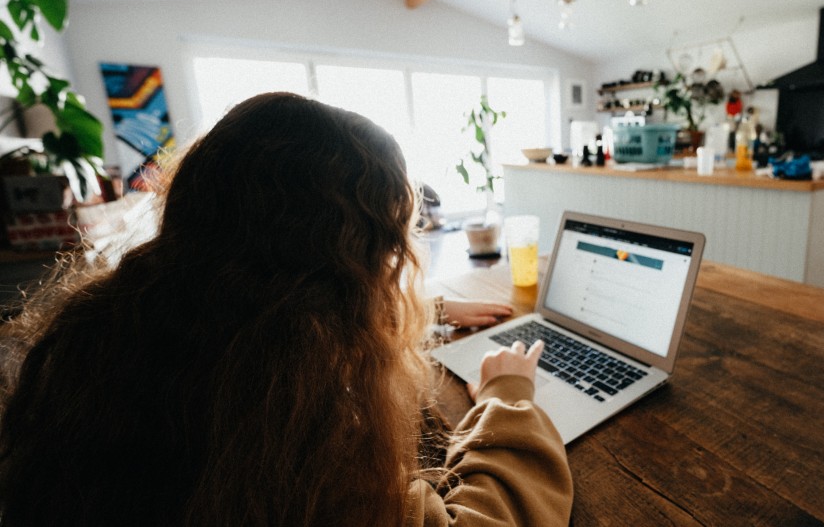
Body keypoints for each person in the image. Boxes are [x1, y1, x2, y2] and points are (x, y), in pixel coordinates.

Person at [0, 92, 572, 526]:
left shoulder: (111, 333)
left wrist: (432, 308)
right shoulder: (290, 428)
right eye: (385, 246)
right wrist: (508, 397)